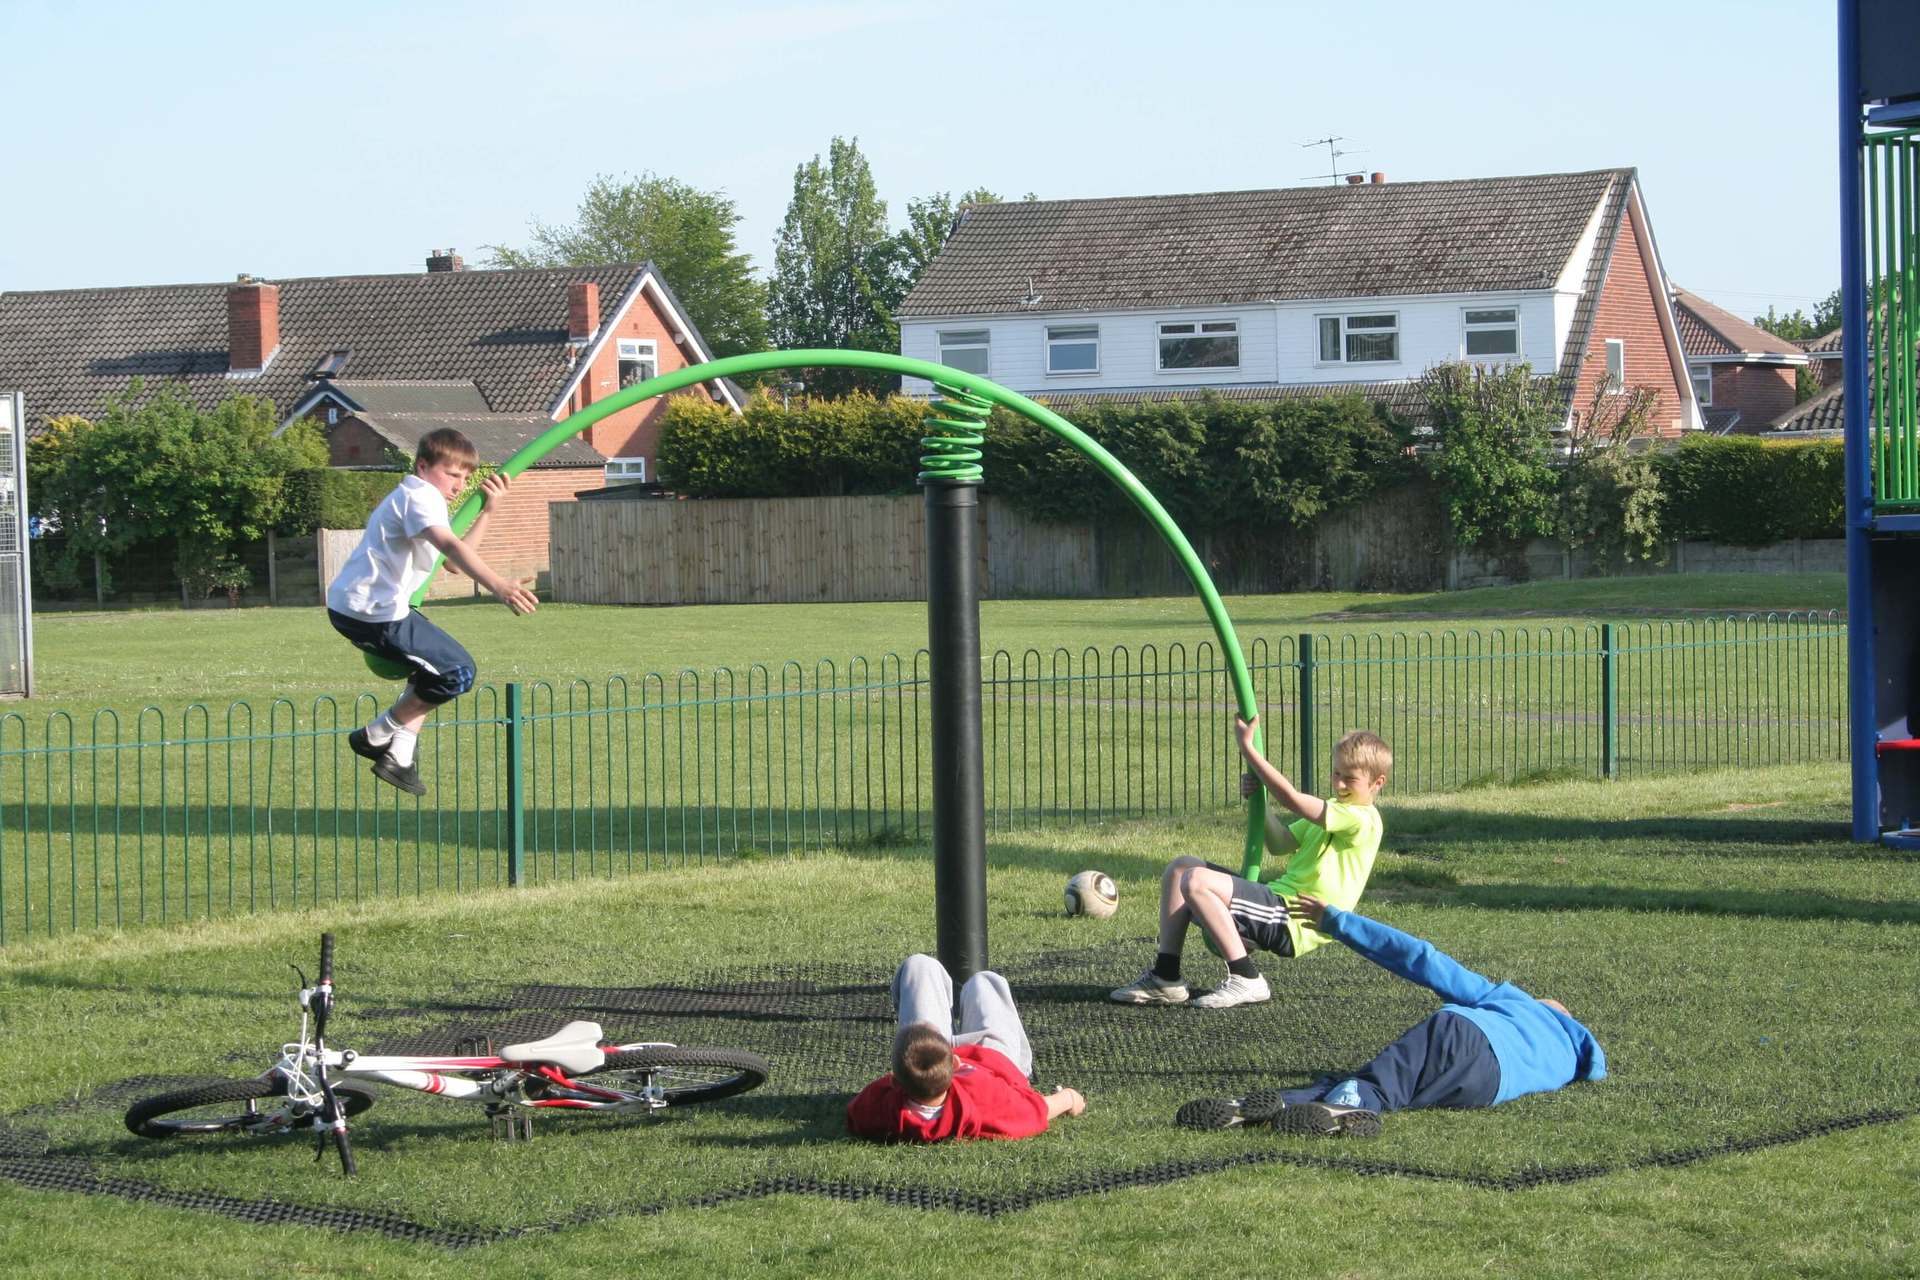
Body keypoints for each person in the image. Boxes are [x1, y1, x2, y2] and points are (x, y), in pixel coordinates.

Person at [1179, 894, 1606, 1136]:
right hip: (1483, 1089)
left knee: (1376, 1088)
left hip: (1463, 1035)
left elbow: (1422, 958)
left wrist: (1340, 923)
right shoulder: (1573, 1063)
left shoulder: (1514, 1003)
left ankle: (1343, 1107)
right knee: (1390, 1083)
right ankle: (1295, 1102)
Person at [1111, 719, 1392, 1009]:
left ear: (1377, 782)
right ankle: (1166, 976)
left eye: (1350, 779)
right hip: (1276, 901)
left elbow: (1293, 799)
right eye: (1336, 774)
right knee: (1181, 868)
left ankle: (1246, 977)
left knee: (1195, 881)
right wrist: (1259, 800)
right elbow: (1279, 842)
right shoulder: (1336, 808)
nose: (1340, 783)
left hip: (1293, 918)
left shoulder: (1362, 819)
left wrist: (1250, 751)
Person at [326, 428, 538, 796]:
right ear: (423, 465)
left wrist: (489, 510)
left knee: (431, 671)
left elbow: (452, 561)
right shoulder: (419, 495)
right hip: (371, 613)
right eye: (452, 474)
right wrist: (499, 586)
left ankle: (399, 757)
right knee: (458, 672)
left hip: (368, 609)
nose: (459, 485)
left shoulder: (424, 501)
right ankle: (374, 735)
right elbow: (449, 545)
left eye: (466, 478)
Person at [846, 954, 1087, 1142]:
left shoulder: (882, 1108)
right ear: (956, 1065)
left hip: (933, 1058)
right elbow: (1036, 1111)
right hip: (992, 1059)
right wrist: (1069, 1098)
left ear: (895, 1081)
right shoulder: (985, 1099)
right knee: (985, 983)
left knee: (918, 966)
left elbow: (856, 1112)